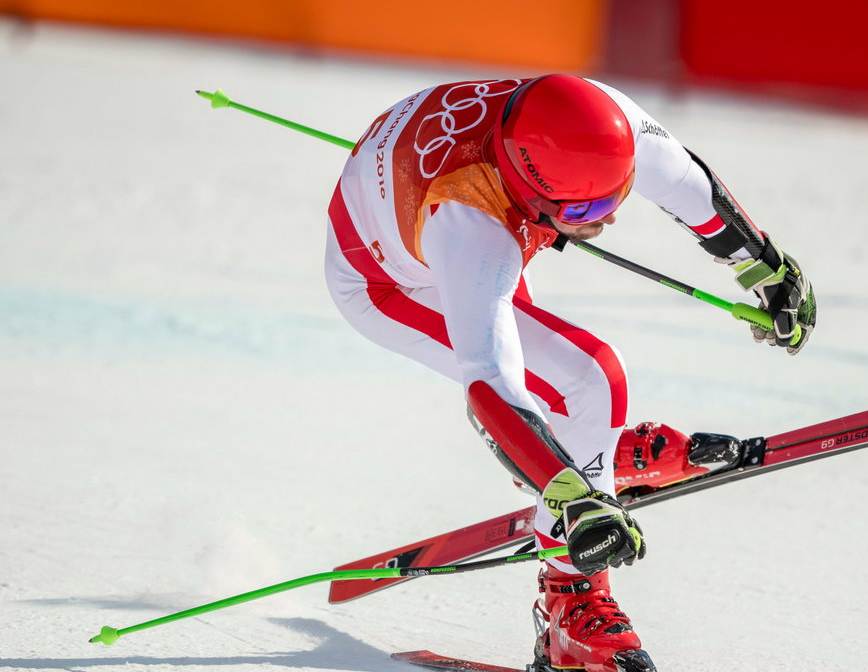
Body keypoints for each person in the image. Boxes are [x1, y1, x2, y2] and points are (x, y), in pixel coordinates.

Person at [324, 75, 815, 672]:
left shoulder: (600, 122)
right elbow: (490, 388)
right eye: (584, 211)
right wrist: (572, 497)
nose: (604, 221)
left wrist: (761, 264)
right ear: (534, 195)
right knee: (590, 377)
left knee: (576, 388)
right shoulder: (471, 227)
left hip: (414, 192)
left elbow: (686, 182)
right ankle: (569, 603)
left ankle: (592, 454)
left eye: (616, 198)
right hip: (387, 280)